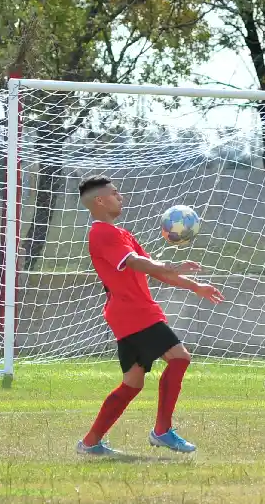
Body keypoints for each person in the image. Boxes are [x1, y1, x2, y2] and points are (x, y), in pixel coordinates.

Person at [78, 175, 224, 458]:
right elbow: (138, 262)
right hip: (135, 313)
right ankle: (162, 431)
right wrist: (172, 264)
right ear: (99, 200)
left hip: (126, 315)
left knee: (132, 384)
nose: (120, 197)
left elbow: (156, 271)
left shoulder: (122, 234)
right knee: (180, 357)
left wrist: (194, 285)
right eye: (115, 193)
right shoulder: (101, 233)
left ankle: (90, 443)